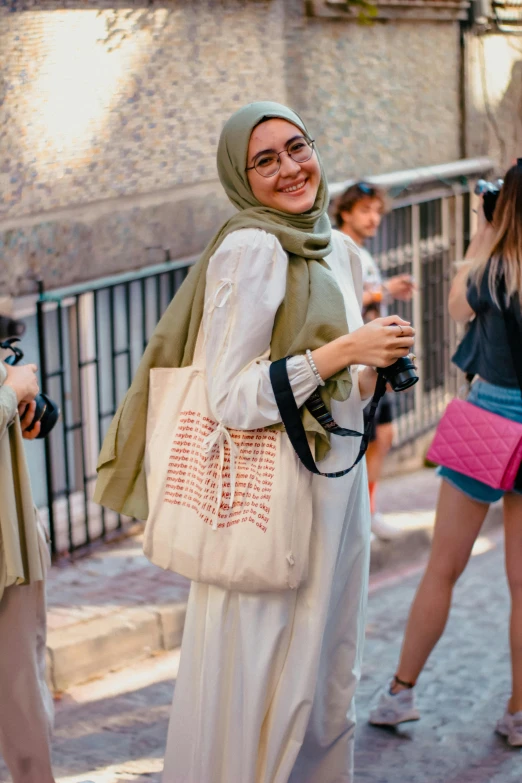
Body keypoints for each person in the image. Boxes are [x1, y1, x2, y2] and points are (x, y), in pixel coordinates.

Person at [94, 101, 414, 783]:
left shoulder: (329, 242)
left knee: (326, 681)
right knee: (268, 683)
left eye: (296, 147)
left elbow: (333, 393)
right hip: (274, 504)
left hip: (334, 493)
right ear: (240, 178)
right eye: (263, 160)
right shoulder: (252, 248)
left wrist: (366, 370)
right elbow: (232, 397)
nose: (290, 168)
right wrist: (342, 353)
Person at [369, 162, 522, 746]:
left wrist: (486, 231)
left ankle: (401, 692)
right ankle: (517, 712)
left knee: (442, 568)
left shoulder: (495, 270)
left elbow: (458, 306)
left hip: (487, 414)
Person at [335, 182, 415, 540]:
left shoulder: (359, 250)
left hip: (373, 361)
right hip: (356, 362)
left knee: (382, 436)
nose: (374, 218)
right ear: (345, 212)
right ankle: (357, 519)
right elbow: (342, 297)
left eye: (377, 211)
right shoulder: (340, 247)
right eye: (365, 210)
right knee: (362, 439)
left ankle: (367, 512)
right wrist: (386, 290)